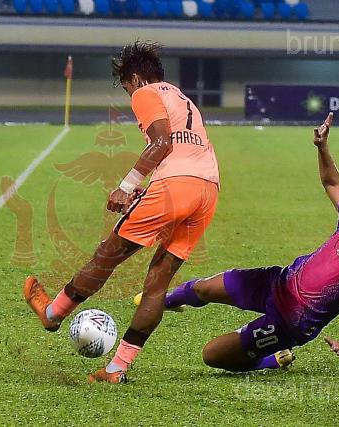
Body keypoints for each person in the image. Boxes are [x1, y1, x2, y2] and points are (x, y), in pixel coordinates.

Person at [23, 41, 221, 383]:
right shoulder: (181, 97)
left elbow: (163, 143)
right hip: (208, 189)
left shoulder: (145, 92)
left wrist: (127, 186)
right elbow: (184, 148)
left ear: (136, 78)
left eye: (126, 86)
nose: (129, 93)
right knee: (157, 283)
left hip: (176, 185)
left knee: (107, 255)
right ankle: (116, 369)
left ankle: (53, 313)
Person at [150, 112, 339, 372]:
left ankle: (272, 360)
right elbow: (332, 182)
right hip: (277, 282)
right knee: (204, 288)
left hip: (289, 322)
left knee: (213, 355)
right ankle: (159, 301)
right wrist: (322, 147)